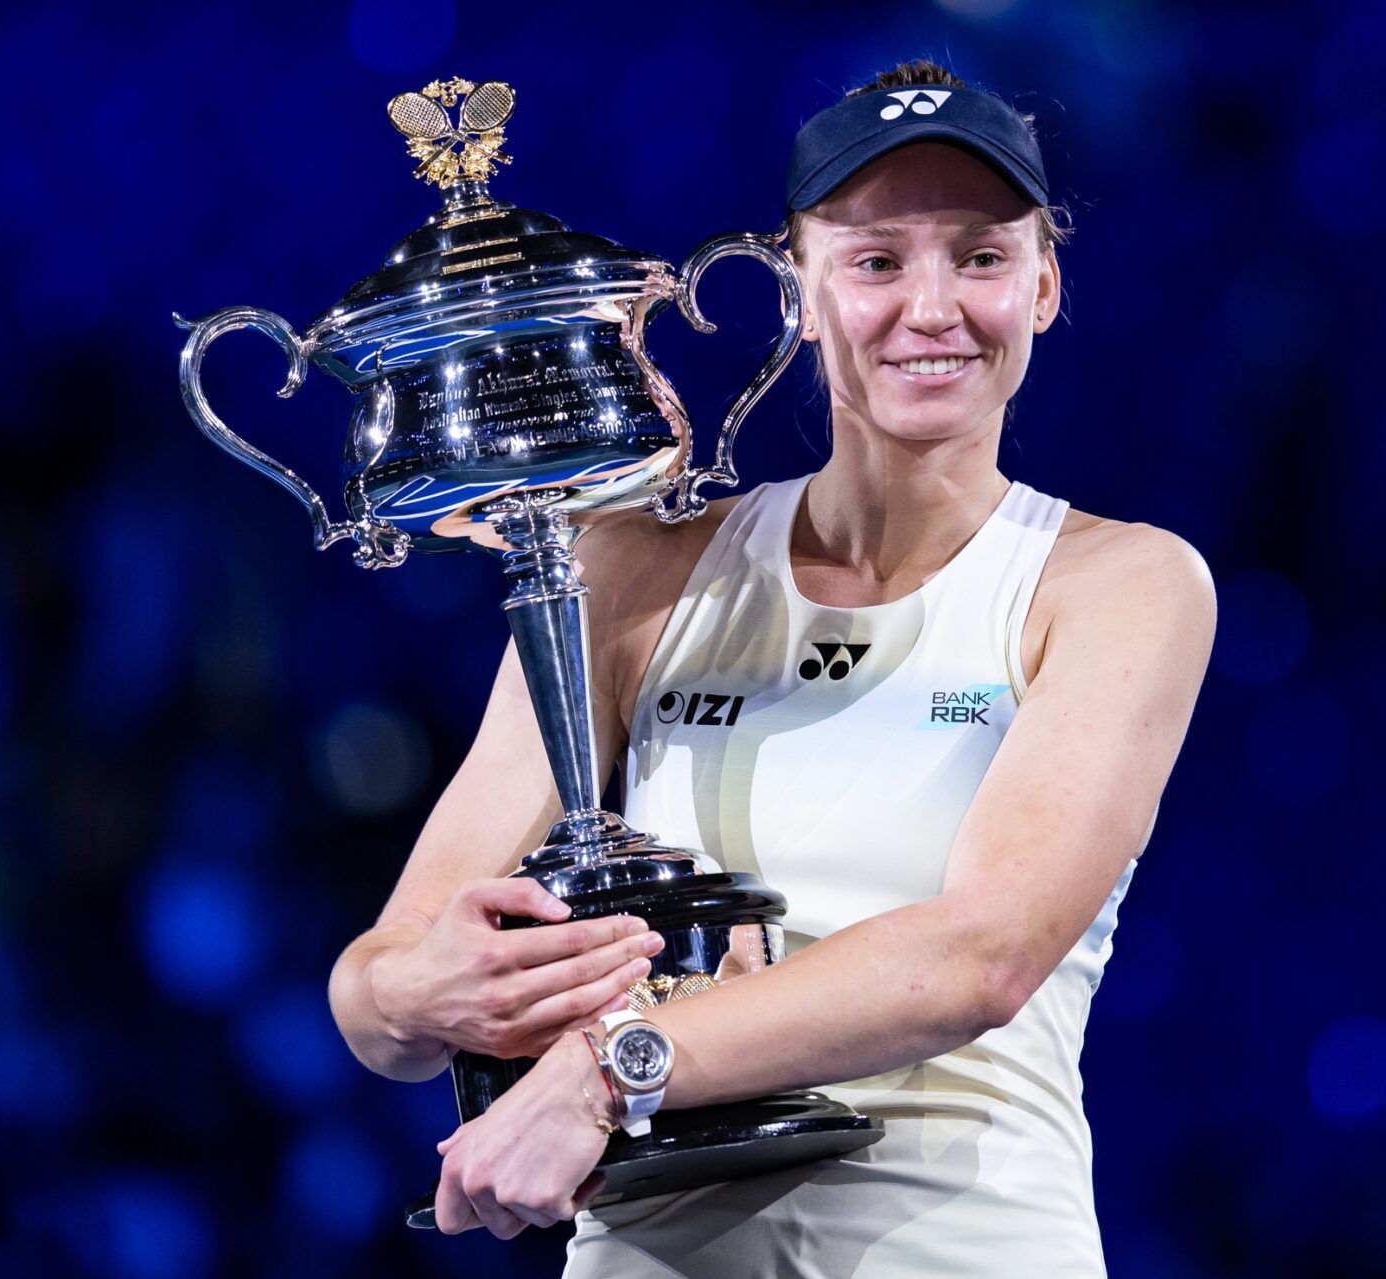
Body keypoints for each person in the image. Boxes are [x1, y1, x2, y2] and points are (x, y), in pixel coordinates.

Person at [328, 58, 1217, 1277]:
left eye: (980, 255)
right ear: (795, 286)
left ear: (1046, 284)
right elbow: (382, 985)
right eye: (875, 261)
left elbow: (982, 957)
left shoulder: (1120, 585)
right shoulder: (629, 568)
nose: (932, 305)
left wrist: (608, 1069)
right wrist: (421, 993)